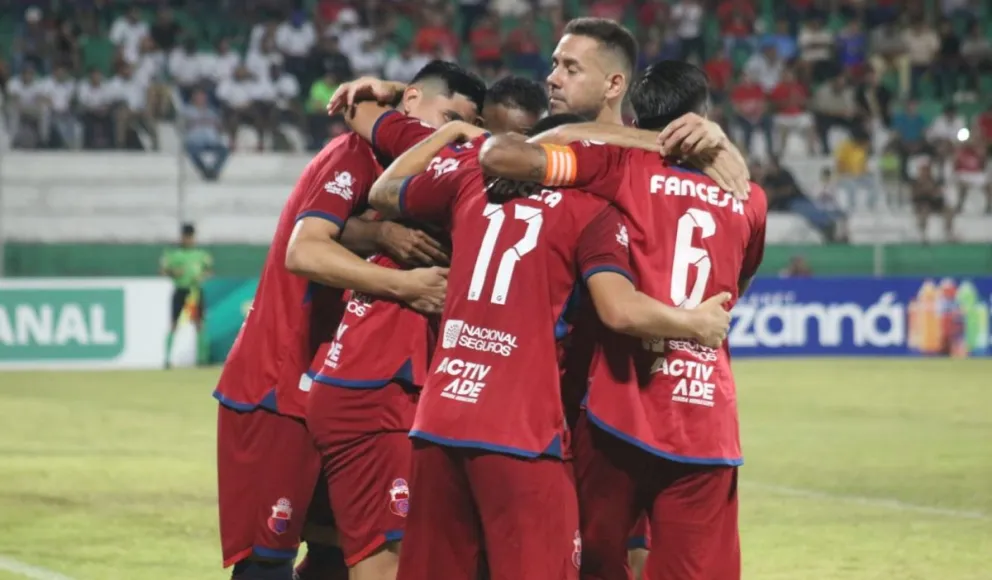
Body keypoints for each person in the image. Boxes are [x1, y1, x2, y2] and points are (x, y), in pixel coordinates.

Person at [365, 112, 733, 580]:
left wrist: (451, 132)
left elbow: (383, 192)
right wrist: (695, 322)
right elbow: (619, 310)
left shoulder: (469, 179)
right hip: (520, 431)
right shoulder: (591, 210)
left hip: (439, 418)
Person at [475, 60, 766, 580]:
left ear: (636, 115)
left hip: (619, 407)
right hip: (705, 416)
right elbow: (734, 287)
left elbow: (513, 157)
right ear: (701, 117)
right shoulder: (749, 196)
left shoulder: (615, 166)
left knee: (590, 564)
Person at [212, 61, 485, 580]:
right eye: (445, 117)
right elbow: (305, 251)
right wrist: (404, 281)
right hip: (280, 384)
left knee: (339, 556)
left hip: (346, 389)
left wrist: (377, 236)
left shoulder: (422, 179)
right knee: (266, 565)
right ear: (409, 102)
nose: (441, 135)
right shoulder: (355, 153)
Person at [305, 75, 549, 580]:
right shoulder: (459, 162)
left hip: (419, 388)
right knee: (387, 561)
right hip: (377, 382)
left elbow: (366, 114)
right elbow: (361, 119)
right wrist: (436, 123)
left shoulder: (455, 159)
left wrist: (398, 94)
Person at [160, 223, 212, 368]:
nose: (188, 240)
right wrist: (173, 273)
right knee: (174, 324)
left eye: (190, 237)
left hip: (195, 292)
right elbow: (163, 270)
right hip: (180, 290)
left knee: (200, 325)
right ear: (182, 237)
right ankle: (167, 359)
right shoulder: (174, 255)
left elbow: (209, 271)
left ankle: (202, 360)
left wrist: (202, 276)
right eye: (186, 237)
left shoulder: (201, 255)